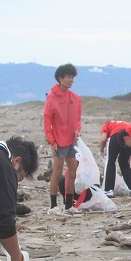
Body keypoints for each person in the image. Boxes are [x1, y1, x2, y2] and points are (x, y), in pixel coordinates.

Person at [43, 63, 82, 211]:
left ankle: (68, 205)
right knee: (57, 171)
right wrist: (51, 140)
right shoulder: (52, 97)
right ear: (60, 78)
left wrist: (78, 129)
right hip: (58, 140)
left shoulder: (75, 98)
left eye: (72, 77)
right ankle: (53, 206)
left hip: (72, 139)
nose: (71, 80)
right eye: (68, 77)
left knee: (72, 171)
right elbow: (47, 120)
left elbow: (77, 118)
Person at [98, 120, 131, 197]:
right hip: (130, 137)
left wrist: (101, 151)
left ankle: (109, 190)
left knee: (111, 161)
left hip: (116, 136)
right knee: (124, 163)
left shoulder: (106, 125)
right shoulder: (125, 123)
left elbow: (103, 139)